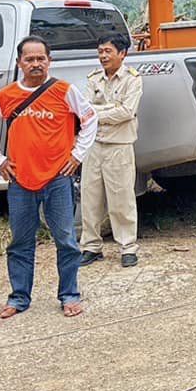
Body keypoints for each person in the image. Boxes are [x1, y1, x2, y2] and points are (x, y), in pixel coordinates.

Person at [0, 36, 96, 319]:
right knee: (20, 242)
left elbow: (91, 120)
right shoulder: (5, 96)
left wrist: (77, 155)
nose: (36, 64)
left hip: (58, 179)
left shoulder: (64, 91)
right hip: (20, 181)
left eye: (41, 58)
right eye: (30, 59)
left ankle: (69, 295)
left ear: (49, 61)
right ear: (19, 63)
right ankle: (18, 298)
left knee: (65, 239)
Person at [80, 35, 144, 268]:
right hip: (94, 145)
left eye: (108, 51)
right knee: (90, 198)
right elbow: (84, 110)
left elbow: (127, 112)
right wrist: (108, 111)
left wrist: (97, 114)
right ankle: (91, 247)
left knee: (121, 199)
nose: (103, 56)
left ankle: (127, 247)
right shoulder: (93, 78)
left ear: (122, 53)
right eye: (100, 51)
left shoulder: (132, 79)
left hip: (120, 145)